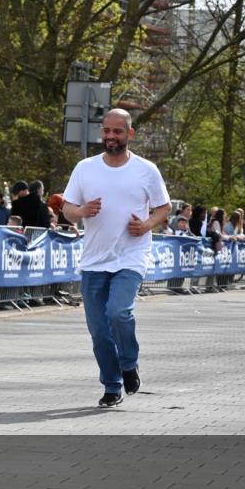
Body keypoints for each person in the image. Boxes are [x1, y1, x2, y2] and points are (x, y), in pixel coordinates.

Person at [61, 108, 171, 408]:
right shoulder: (85, 168)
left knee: (119, 312)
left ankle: (128, 363)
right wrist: (81, 211)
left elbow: (164, 207)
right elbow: (67, 208)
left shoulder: (146, 169)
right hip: (94, 260)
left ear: (129, 134)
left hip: (130, 256)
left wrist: (146, 225)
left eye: (117, 131)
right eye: (107, 131)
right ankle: (112, 385)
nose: (111, 137)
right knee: (99, 332)